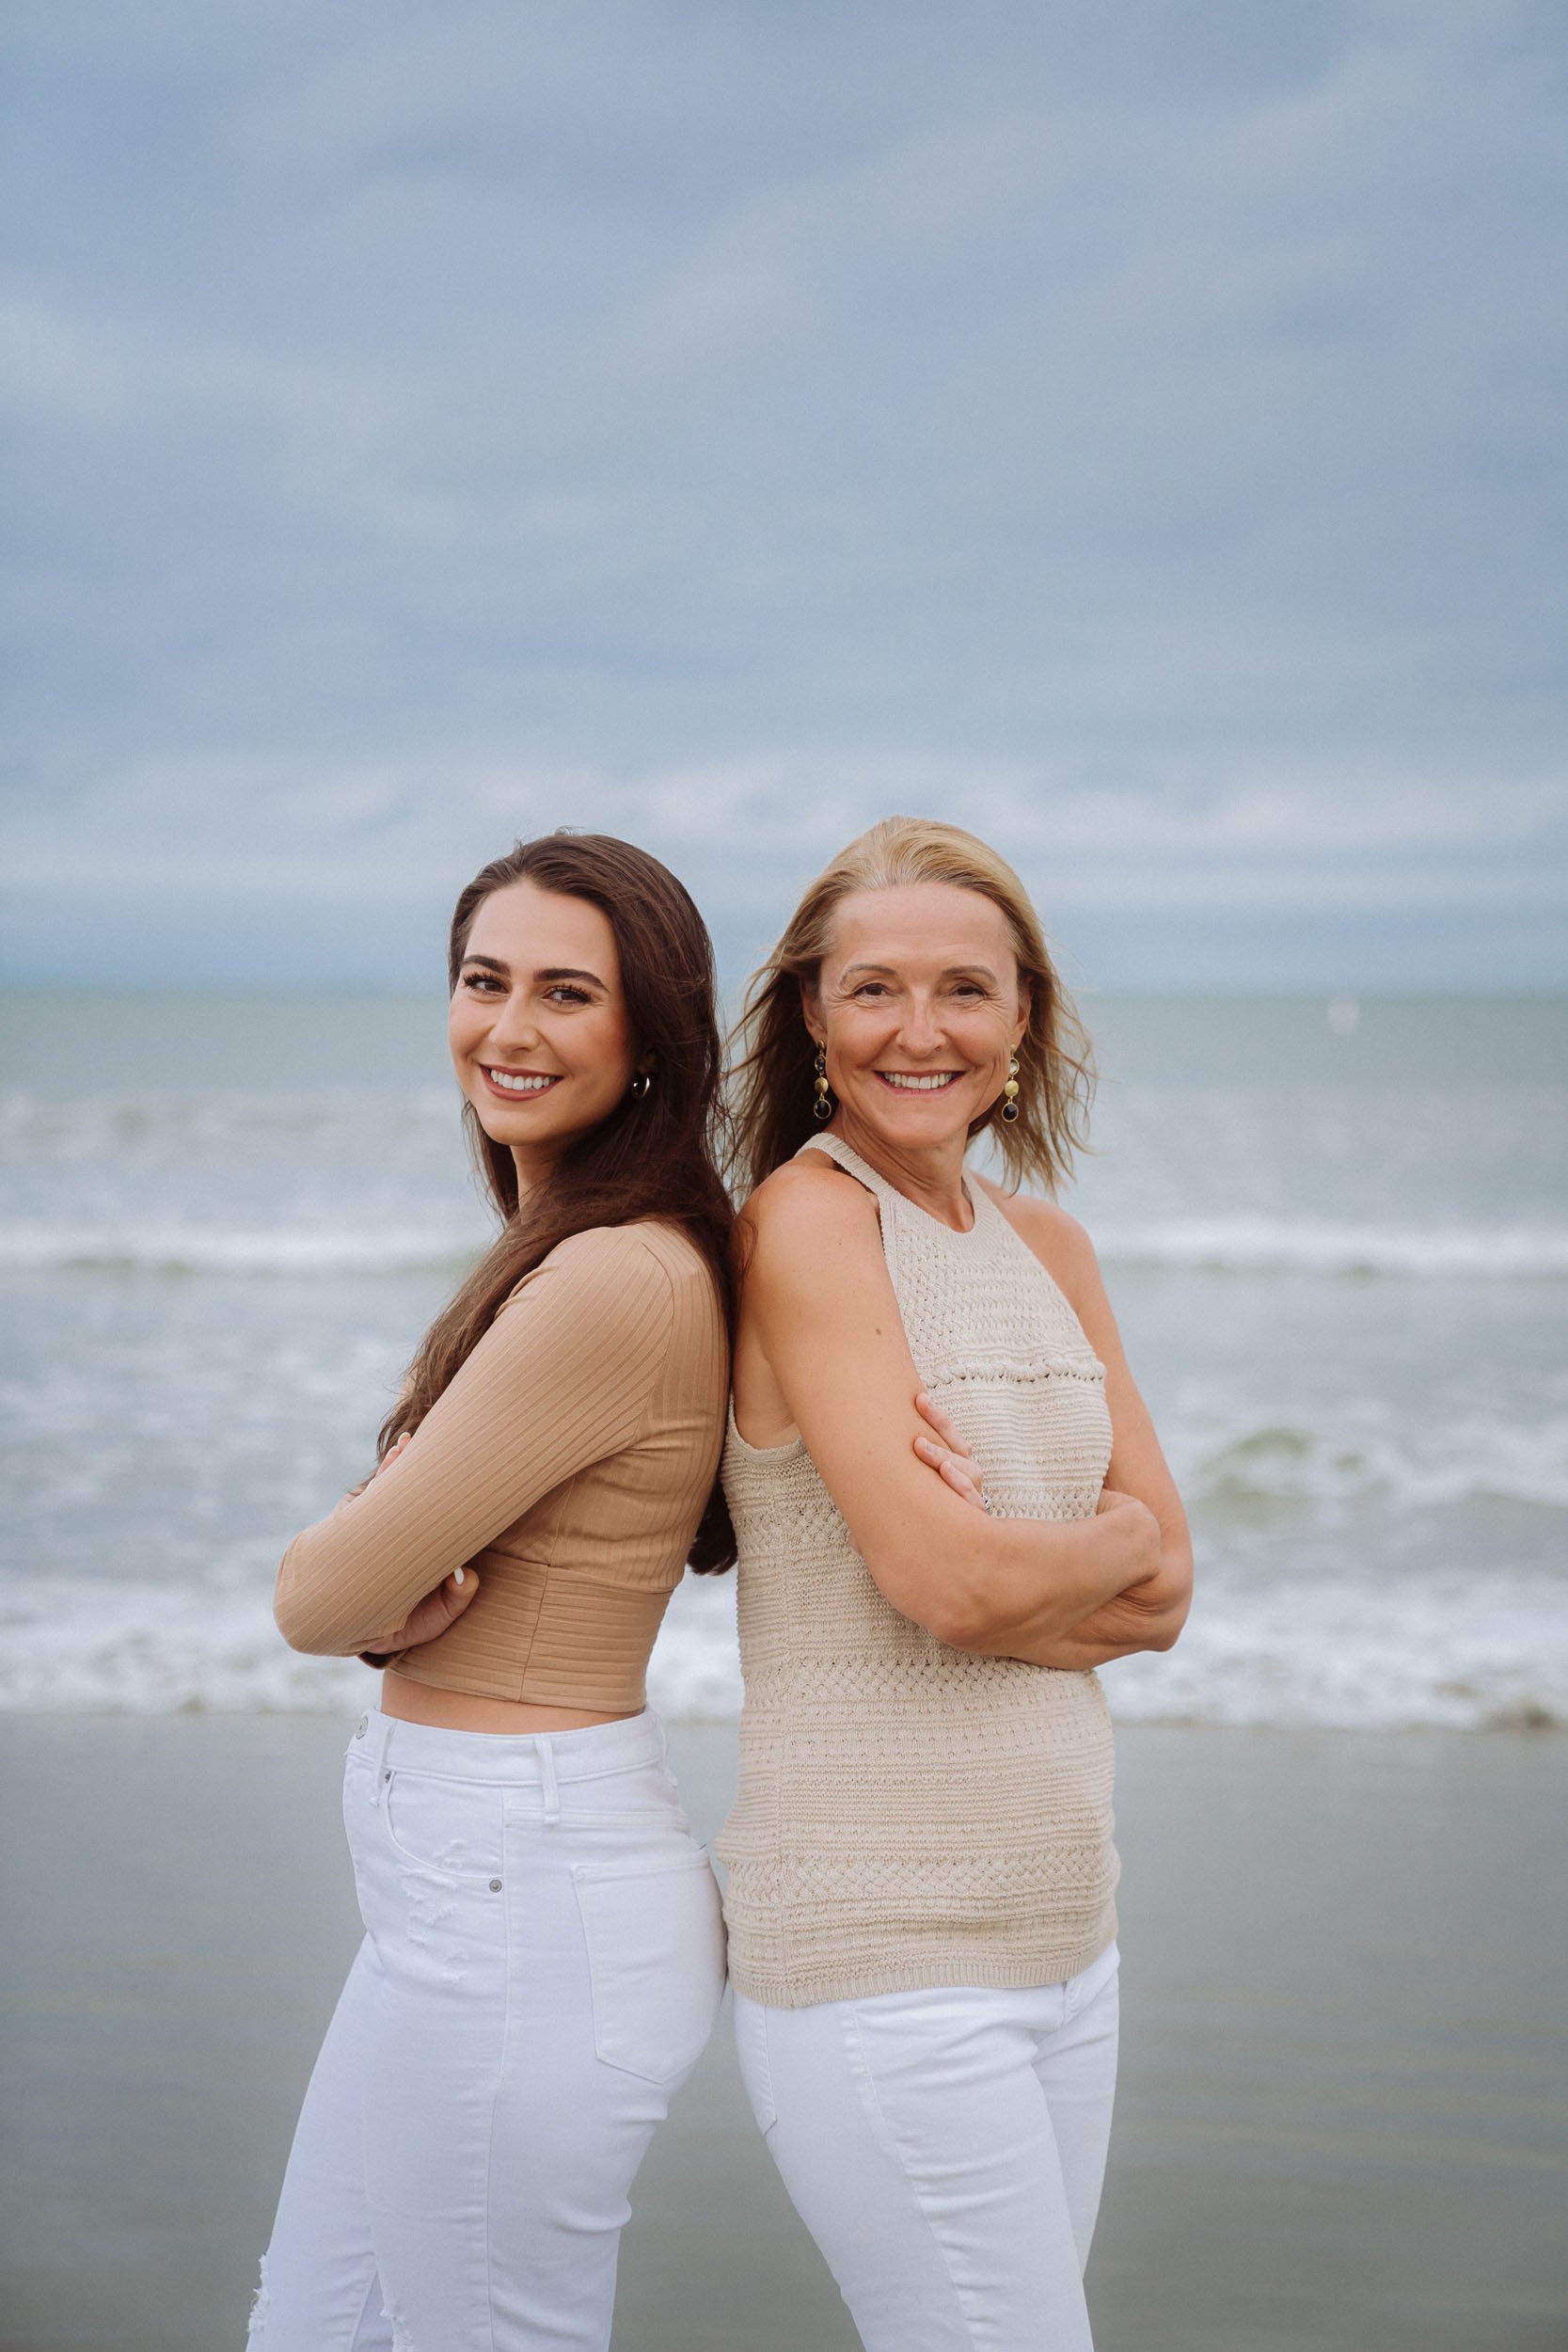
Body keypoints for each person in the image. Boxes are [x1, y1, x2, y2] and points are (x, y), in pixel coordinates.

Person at [251, 834, 733, 2352]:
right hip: (470, 1888)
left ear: (650, 1035)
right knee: (311, 2330)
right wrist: (375, 1572)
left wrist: (361, 1566)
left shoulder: (617, 1279)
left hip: (524, 1895)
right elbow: (367, 1583)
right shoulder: (568, 1252)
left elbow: (318, 1596)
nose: (509, 1030)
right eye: (483, 980)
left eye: (566, 994)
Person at [719, 816, 1192, 2352]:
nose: (919, 1030)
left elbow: (1169, 1594)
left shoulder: (1051, 1243)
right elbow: (948, 1588)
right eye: (872, 990)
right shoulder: (806, 1220)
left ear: (1023, 1018)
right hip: (881, 1960)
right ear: (810, 1015)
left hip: (1072, 1939)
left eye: (964, 991)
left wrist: (1067, 1562)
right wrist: (1094, 1547)